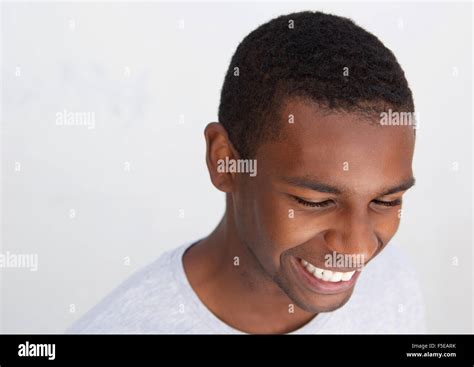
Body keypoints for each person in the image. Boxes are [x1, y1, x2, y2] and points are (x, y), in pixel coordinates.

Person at [68, 10, 425, 334]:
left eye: (385, 200)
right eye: (315, 201)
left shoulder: (394, 285)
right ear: (225, 161)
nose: (358, 248)